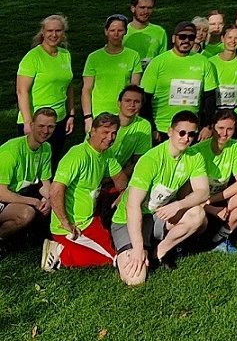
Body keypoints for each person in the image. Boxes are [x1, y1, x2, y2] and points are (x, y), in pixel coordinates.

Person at [111, 110, 210, 285]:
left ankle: (159, 252)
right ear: (170, 131)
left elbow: (203, 192)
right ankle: (127, 250)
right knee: (136, 279)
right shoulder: (151, 159)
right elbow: (132, 206)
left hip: (157, 215)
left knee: (198, 216)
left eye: (191, 134)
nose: (186, 138)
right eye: (181, 132)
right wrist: (138, 248)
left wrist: (178, 205)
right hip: (129, 219)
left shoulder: (194, 157)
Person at [42, 114, 129, 271]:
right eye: (105, 132)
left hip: (90, 218)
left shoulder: (106, 153)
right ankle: (59, 252)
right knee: (112, 258)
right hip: (75, 224)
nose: (110, 137)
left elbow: (121, 180)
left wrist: (124, 192)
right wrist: (65, 223)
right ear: (92, 131)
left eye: (114, 133)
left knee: (115, 248)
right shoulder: (77, 155)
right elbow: (55, 190)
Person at [196, 109, 237, 254]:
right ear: (212, 127)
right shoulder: (198, 150)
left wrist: (212, 200)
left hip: (215, 198)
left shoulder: (235, 146)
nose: (224, 134)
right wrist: (208, 205)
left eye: (229, 129)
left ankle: (221, 237)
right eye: (220, 128)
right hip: (198, 201)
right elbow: (188, 194)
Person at [139, 21, 217, 139]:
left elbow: (210, 97)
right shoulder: (158, 62)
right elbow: (145, 98)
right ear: (173, 38)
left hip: (191, 130)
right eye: (182, 37)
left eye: (191, 37)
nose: (186, 40)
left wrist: (207, 126)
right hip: (162, 128)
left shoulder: (204, 62)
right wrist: (152, 128)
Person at [18, 14, 76, 162]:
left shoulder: (65, 55)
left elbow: (69, 86)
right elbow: (21, 91)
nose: (54, 35)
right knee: (31, 166)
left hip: (59, 120)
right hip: (37, 122)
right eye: (50, 31)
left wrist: (71, 114)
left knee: (52, 162)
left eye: (58, 31)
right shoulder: (32, 58)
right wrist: (27, 122)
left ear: (63, 33)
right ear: (43, 32)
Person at [0, 108, 55, 244]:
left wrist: (49, 200)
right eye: (41, 126)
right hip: (3, 196)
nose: (45, 131)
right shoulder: (11, 152)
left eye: (50, 127)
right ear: (31, 125)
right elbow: (1, 193)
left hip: (13, 195)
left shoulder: (46, 148)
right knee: (26, 213)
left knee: (57, 198)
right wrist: (35, 202)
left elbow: (45, 182)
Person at [81, 15, 142, 135]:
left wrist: (134, 114)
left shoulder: (133, 56)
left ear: (125, 32)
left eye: (120, 30)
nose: (116, 34)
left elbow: (135, 89)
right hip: (99, 113)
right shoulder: (94, 57)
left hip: (124, 114)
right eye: (112, 30)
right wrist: (88, 117)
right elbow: (86, 90)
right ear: (106, 32)